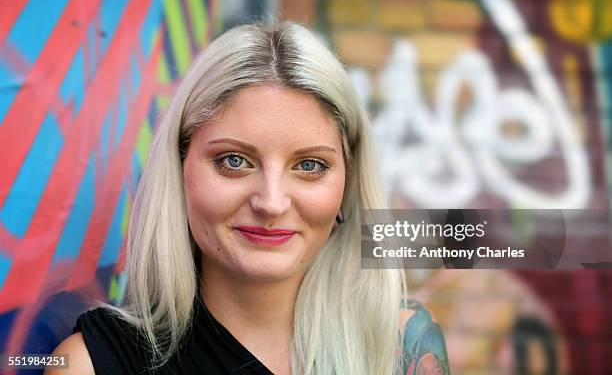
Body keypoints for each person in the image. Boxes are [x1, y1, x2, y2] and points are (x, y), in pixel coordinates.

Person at [47, 21, 449, 375]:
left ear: (347, 183)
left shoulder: (402, 344)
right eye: (234, 160)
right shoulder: (92, 365)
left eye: (309, 166)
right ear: (180, 167)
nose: (271, 203)